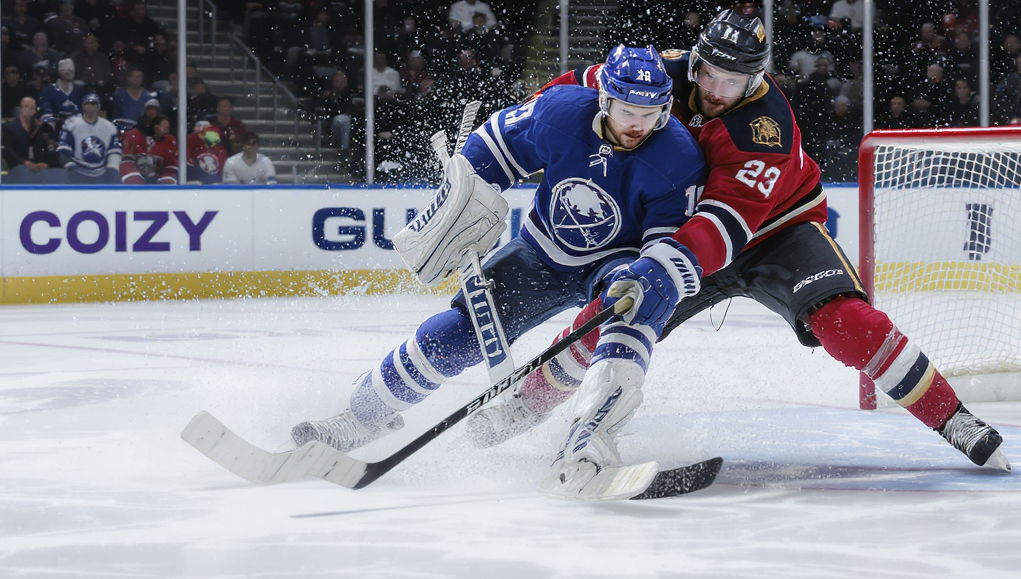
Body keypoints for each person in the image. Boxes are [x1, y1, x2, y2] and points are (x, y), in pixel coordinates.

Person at [472, 11, 1011, 473]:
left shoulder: (766, 129)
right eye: (708, 73)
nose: (712, 90)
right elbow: (580, 91)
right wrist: (520, 119)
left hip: (775, 231)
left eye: (731, 82)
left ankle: (953, 418)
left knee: (847, 321)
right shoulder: (665, 71)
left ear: (757, 77)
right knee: (609, 315)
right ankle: (524, 406)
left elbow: (725, 224)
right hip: (687, 230)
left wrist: (663, 266)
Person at [289, 46, 708, 500]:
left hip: (617, 263)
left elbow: (666, 241)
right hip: (541, 250)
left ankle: (582, 439)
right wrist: (467, 187)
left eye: (651, 112)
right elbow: (494, 145)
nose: (638, 123)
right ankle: (361, 416)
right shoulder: (560, 113)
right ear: (605, 99)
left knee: (628, 313)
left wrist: (648, 272)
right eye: (628, 110)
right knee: (458, 333)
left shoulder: (679, 158)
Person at [56, 93, 122, 183]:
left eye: (94, 104)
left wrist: (112, 167)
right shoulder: (71, 124)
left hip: (101, 173)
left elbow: (114, 151)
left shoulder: (109, 127)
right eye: (88, 103)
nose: (91, 106)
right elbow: (63, 150)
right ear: (83, 106)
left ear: (98, 106)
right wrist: (70, 166)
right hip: (78, 171)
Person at [2, 97, 57, 180]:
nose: (32, 111)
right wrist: (25, 163)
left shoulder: (42, 128)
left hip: (40, 168)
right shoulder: (9, 127)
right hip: (18, 167)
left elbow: (49, 147)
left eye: (33, 108)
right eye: (28, 107)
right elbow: (8, 151)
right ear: (22, 108)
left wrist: (46, 163)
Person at [118, 114, 178, 184]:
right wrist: (135, 181)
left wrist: (167, 179)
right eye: (166, 128)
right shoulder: (133, 136)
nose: (167, 131)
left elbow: (172, 163)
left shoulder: (169, 141)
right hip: (135, 184)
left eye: (168, 128)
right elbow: (125, 161)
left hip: (157, 182)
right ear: (156, 127)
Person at [40, 59, 86, 127]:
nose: (70, 74)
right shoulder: (49, 91)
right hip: (56, 127)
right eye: (67, 71)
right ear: (60, 73)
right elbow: (45, 108)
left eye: (72, 71)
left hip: (77, 126)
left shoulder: (79, 90)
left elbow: (83, 109)